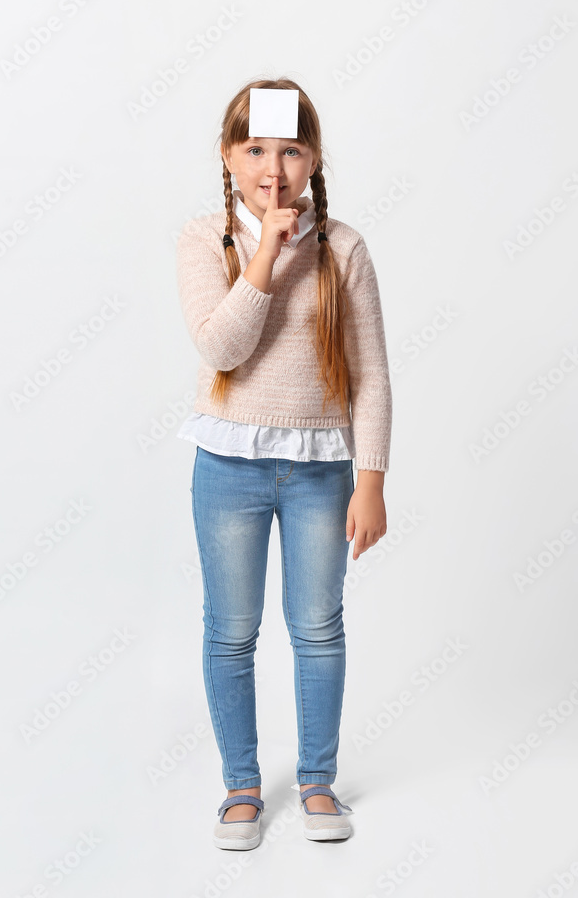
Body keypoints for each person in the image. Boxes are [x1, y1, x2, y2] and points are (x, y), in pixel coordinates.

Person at [176, 77, 392, 848]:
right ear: (229, 156)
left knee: (318, 627)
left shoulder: (344, 249)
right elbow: (221, 347)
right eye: (257, 148)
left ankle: (316, 783)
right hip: (227, 467)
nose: (274, 167)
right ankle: (241, 785)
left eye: (291, 149)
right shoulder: (206, 241)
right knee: (232, 630)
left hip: (320, 471)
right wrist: (266, 246)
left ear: (315, 158)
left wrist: (370, 478)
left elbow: (369, 376)